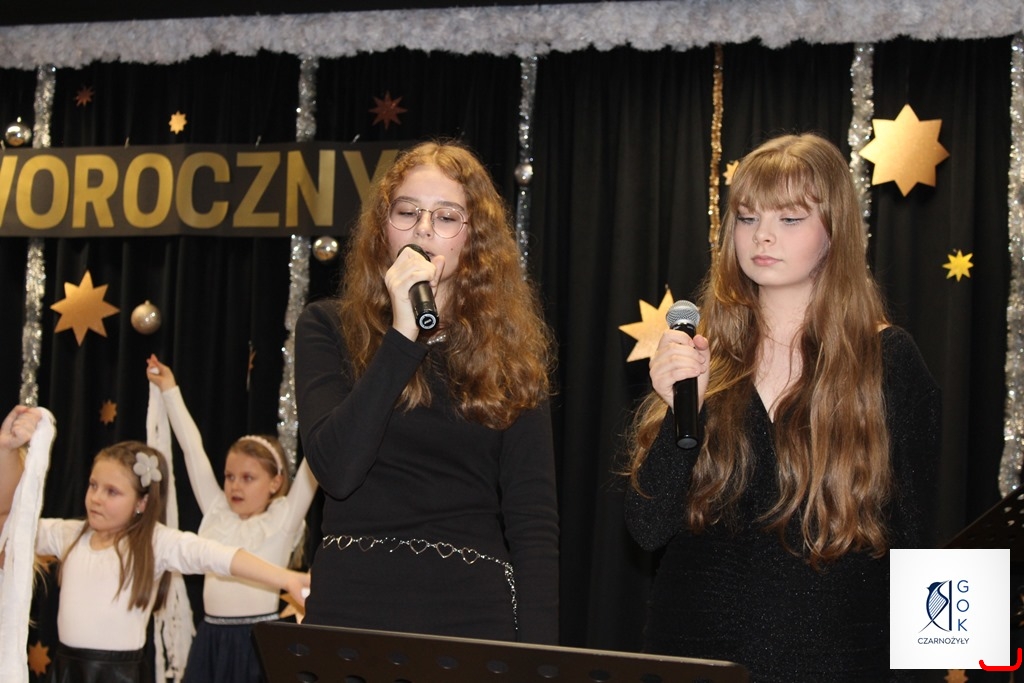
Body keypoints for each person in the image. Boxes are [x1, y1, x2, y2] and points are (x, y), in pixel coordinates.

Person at [623, 133, 940, 682]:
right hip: (695, 658)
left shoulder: (887, 359)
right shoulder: (702, 354)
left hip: (838, 662)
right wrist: (681, 412)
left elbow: (920, 546)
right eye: (747, 218)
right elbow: (647, 529)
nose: (762, 235)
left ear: (834, 230)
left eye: (790, 219)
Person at [295, 139, 559, 644]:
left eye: (446, 217)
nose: (423, 229)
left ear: (474, 237)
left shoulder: (509, 355)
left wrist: (540, 660)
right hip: (351, 610)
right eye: (407, 212)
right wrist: (402, 336)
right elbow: (337, 471)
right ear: (383, 229)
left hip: (471, 619)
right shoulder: (327, 327)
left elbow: (534, 524)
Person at [0, 406, 310, 683]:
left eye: (112, 491)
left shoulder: (156, 543)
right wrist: (8, 450)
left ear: (142, 503)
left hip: (121, 675)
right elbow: (7, 520)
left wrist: (287, 578)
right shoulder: (69, 535)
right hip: (67, 671)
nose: (96, 498)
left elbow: (219, 557)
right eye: (93, 485)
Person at [145, 355, 318, 683]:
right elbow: (192, 451)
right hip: (211, 640)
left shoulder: (284, 518)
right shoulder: (217, 512)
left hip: (260, 642)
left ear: (275, 483)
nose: (235, 486)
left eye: (248, 478)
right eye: (229, 476)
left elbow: (316, 459)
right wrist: (170, 390)